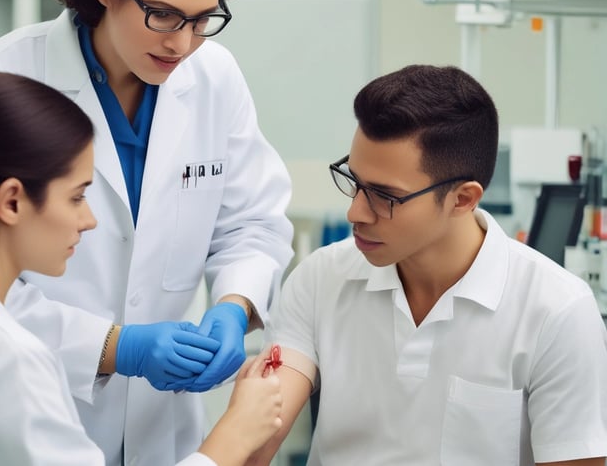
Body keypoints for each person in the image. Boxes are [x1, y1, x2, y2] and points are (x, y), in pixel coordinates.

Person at [0, 0, 294, 464]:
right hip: (37, 401)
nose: (182, 43)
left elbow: (252, 222)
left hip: (165, 423)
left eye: (203, 19)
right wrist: (113, 347)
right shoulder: (6, 76)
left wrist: (233, 305)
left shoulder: (215, 77)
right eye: (162, 15)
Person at [0, 72, 284, 466]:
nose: (88, 220)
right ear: (12, 200)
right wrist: (234, 437)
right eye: (76, 196)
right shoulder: (4, 359)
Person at [246, 65, 607, 465]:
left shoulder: (556, 312)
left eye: (385, 196)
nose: (355, 212)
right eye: (354, 181)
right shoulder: (320, 278)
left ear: (463, 199)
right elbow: (258, 438)